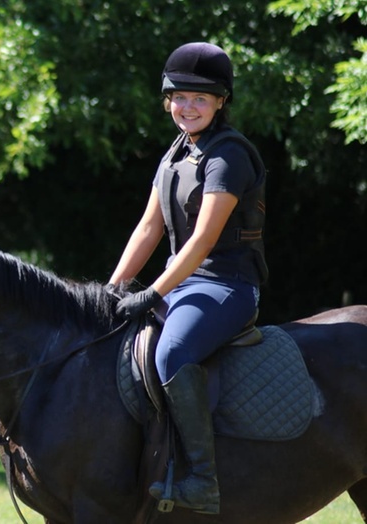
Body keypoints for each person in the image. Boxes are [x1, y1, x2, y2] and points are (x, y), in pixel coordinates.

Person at [107, 42, 267, 515]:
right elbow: (148, 228)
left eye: (201, 98)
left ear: (220, 102)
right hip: (183, 283)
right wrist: (111, 291)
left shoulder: (228, 156)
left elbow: (200, 242)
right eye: (180, 96)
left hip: (227, 286)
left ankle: (202, 477)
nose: (188, 106)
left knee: (172, 350)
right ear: (167, 101)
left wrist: (152, 292)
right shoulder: (177, 153)